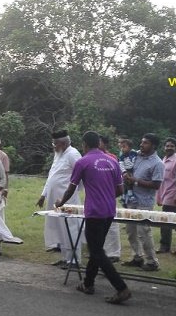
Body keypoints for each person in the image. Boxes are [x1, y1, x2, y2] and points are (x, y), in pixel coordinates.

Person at [55, 131, 131, 304]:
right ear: (98, 143)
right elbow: (120, 190)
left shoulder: (83, 162)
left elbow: (72, 188)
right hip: (109, 210)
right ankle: (88, 283)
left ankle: (121, 288)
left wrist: (61, 202)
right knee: (97, 248)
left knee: (96, 251)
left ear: (85, 145)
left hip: (95, 211)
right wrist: (106, 196)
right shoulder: (112, 161)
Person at [37, 130, 83, 268]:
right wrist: (43, 194)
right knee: (60, 228)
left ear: (62, 143)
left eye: (55, 144)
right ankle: (65, 257)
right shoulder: (59, 154)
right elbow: (52, 175)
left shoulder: (73, 154)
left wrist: (74, 193)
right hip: (55, 199)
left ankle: (74, 260)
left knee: (71, 228)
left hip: (67, 199)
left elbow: (81, 175)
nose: (53, 147)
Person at [120, 134, 164, 271]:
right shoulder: (136, 155)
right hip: (131, 199)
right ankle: (137, 257)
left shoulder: (157, 163)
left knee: (143, 232)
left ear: (153, 146)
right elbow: (124, 161)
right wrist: (125, 175)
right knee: (130, 231)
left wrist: (136, 181)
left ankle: (152, 262)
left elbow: (156, 185)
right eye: (141, 142)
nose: (141, 144)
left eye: (145, 143)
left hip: (144, 202)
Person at [99, 135, 122, 263]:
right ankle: (100, 250)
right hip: (97, 196)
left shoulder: (111, 157)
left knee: (112, 225)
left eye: (100, 142)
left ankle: (113, 253)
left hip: (109, 194)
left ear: (105, 144)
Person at [156, 137, 176, 254]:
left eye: (172, 146)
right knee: (174, 221)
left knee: (168, 221)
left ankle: (165, 246)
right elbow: (162, 181)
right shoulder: (164, 160)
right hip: (165, 193)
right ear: (164, 147)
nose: (169, 148)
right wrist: (159, 196)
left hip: (173, 194)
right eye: (167, 146)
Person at [118, 138, 138, 208]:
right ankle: (129, 195)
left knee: (130, 182)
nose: (122, 149)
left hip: (133, 170)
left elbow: (139, 154)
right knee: (126, 182)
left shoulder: (134, 153)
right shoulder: (122, 156)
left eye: (124, 147)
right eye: (121, 147)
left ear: (130, 147)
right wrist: (124, 172)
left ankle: (125, 197)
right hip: (127, 171)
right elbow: (121, 164)